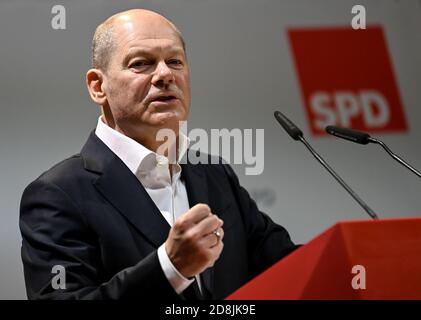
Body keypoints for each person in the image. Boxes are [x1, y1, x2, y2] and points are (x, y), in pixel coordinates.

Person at [19, 9, 297, 300]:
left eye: (175, 61)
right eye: (141, 64)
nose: (165, 74)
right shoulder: (57, 193)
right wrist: (170, 269)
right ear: (98, 86)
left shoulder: (215, 174)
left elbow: (289, 267)